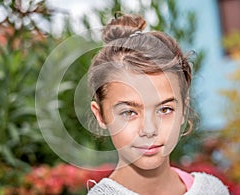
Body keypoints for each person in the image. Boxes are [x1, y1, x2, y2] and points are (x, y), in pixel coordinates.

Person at [87, 13, 229, 195]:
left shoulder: (212, 191)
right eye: (129, 112)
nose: (149, 129)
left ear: (183, 110)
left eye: (165, 109)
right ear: (101, 115)